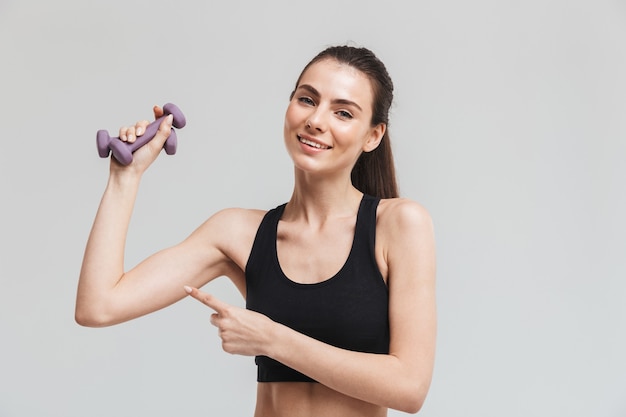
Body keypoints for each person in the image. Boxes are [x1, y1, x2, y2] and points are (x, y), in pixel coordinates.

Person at [76, 45, 437, 416]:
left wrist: (273, 338)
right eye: (307, 99)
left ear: (372, 136)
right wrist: (125, 178)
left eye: (343, 112)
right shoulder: (238, 233)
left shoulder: (398, 225)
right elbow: (98, 306)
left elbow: (409, 387)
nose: (316, 120)